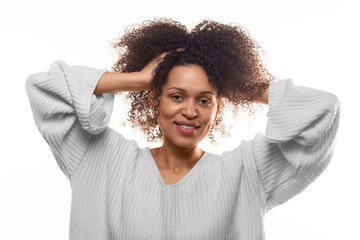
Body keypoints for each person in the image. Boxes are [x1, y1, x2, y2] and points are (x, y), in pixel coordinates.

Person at [25, 18, 340, 240]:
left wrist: (241, 86)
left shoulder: (247, 171)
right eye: (176, 96)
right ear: (154, 100)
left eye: (204, 100)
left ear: (218, 109)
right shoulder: (102, 159)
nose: (190, 111)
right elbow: (43, 88)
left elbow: (322, 112)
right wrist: (140, 77)